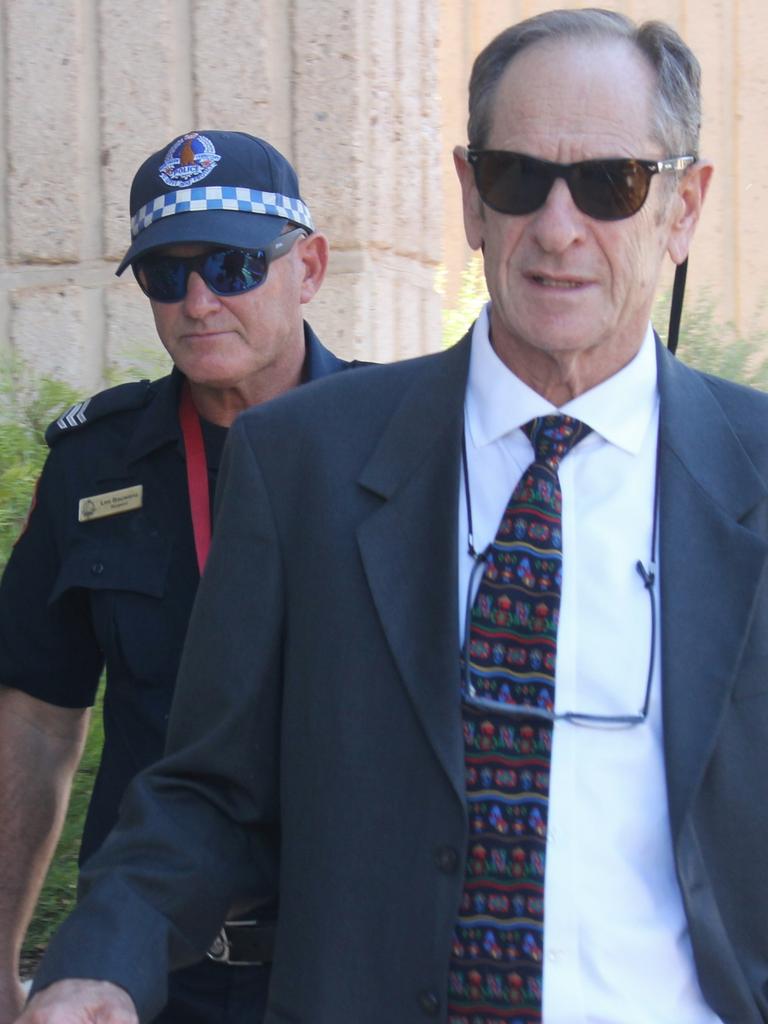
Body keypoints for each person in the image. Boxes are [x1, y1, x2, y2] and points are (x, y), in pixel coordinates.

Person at [13, 9, 768, 1024]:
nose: (556, 227)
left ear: (683, 208)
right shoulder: (306, 462)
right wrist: (96, 965)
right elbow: (206, 791)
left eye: (610, 184)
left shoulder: (754, 476)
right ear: (468, 196)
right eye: (516, 178)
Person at [0, 129, 355, 1024]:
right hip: (143, 975)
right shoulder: (95, 464)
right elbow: (37, 722)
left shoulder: (396, 447)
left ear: (307, 267)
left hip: (353, 966)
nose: (198, 301)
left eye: (234, 266)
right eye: (166, 274)